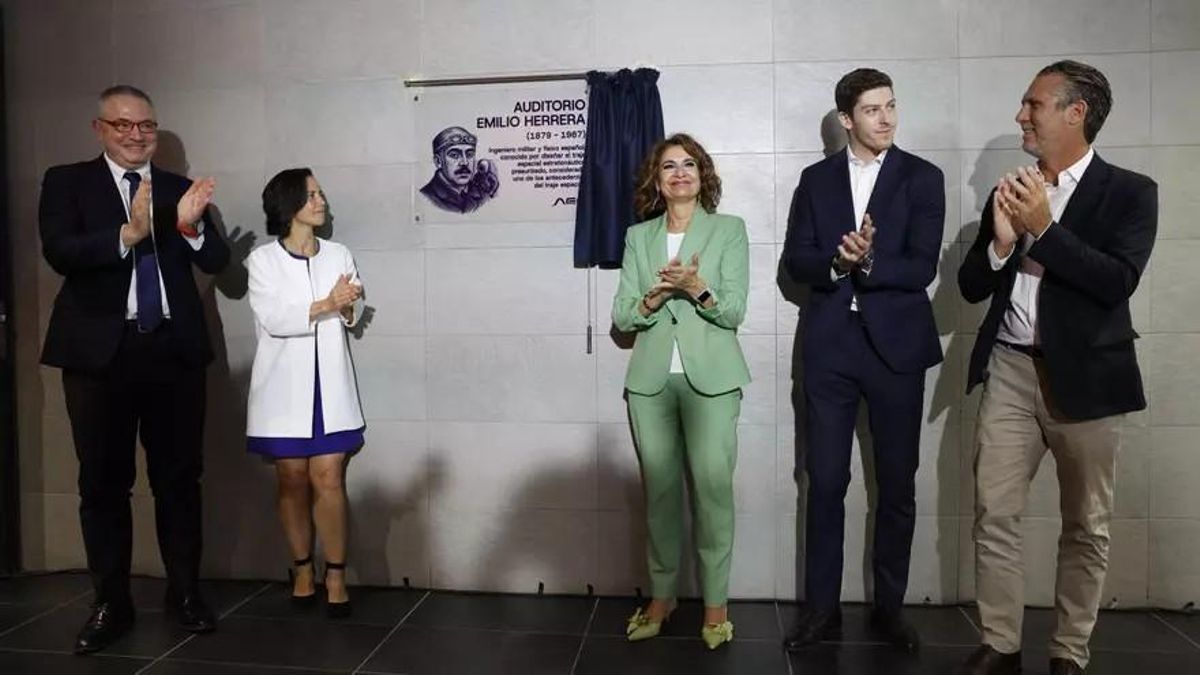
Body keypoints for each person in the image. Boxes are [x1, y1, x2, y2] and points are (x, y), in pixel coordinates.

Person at [956, 61, 1157, 675]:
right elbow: (969, 286)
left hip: (1090, 381)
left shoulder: (1131, 191)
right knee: (994, 512)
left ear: (1076, 113)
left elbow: (1115, 281)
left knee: (1086, 525)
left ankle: (1070, 652)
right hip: (1011, 368)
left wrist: (1042, 228)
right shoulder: (1010, 186)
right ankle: (1000, 643)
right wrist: (999, 241)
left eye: (1033, 104)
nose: (1022, 115)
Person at [38, 85, 229, 653]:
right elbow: (60, 251)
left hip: (172, 351)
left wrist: (190, 227)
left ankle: (186, 593)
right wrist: (129, 234)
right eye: (122, 125)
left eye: (145, 125)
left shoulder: (179, 190)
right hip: (100, 355)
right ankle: (110, 603)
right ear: (99, 128)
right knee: (102, 484)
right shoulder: (66, 181)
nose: (135, 134)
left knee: (178, 480)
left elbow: (218, 261)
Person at [780, 68, 945, 653]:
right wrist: (836, 260)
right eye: (872, 110)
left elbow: (923, 265)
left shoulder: (923, 177)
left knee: (897, 484)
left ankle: (890, 610)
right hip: (829, 349)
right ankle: (821, 612)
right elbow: (796, 261)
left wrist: (868, 263)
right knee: (825, 481)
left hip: (897, 349)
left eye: (891, 106)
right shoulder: (815, 179)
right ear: (846, 119)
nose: (886, 118)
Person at [611, 132, 750, 651]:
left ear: (703, 174)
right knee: (661, 495)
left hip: (713, 380)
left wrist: (695, 289)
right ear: (658, 180)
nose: (680, 173)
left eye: (689, 164)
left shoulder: (729, 231)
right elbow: (622, 316)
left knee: (713, 492)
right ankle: (661, 599)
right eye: (669, 166)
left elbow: (734, 310)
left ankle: (715, 606)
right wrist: (653, 297)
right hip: (650, 383)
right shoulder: (638, 237)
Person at [246, 168, 366, 619]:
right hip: (282, 392)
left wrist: (347, 303)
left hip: (329, 389)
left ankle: (335, 573)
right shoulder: (262, 261)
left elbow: (350, 312)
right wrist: (327, 305)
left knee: (330, 478)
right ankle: (301, 568)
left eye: (320, 193)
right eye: (311, 194)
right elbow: (276, 320)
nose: (321, 201)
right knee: (291, 478)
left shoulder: (339, 253)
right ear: (288, 204)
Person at [418, 125, 499, 213]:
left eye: (469, 154)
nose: (464, 162)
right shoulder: (427, 197)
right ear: (438, 161)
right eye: (454, 155)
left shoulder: (482, 194)